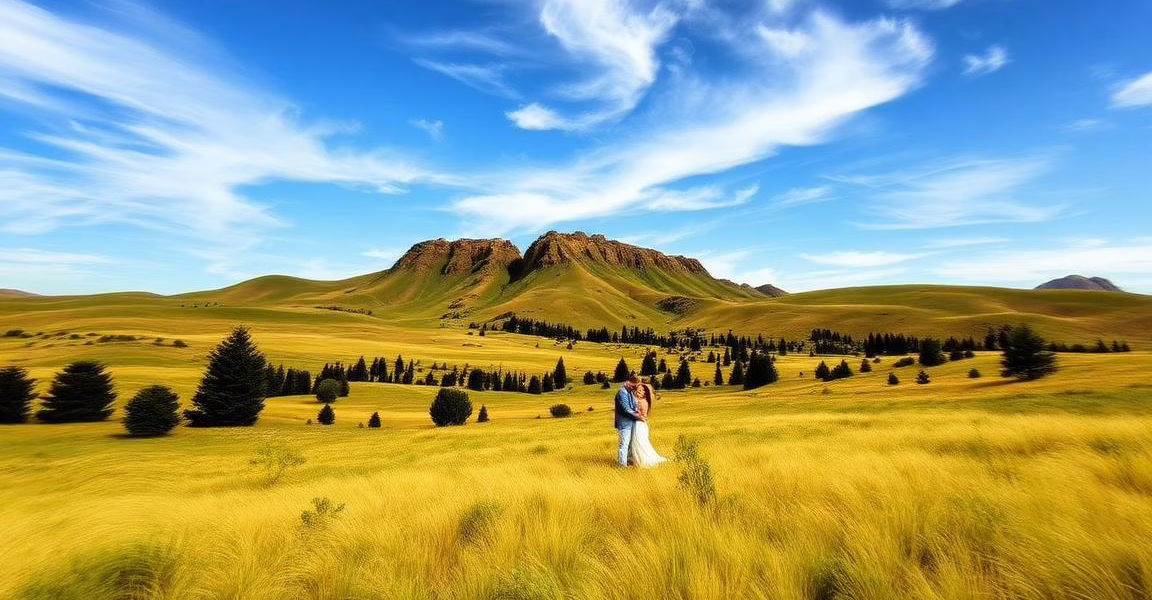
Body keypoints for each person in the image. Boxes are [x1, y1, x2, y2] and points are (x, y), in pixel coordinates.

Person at [629, 378, 668, 467]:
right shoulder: (639, 401)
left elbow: (642, 416)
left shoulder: (642, 402)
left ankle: (642, 462)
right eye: (638, 390)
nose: (639, 391)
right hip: (639, 425)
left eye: (642, 390)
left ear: (645, 393)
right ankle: (636, 461)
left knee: (640, 444)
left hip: (639, 425)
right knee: (637, 444)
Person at [613, 375, 643, 467]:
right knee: (624, 443)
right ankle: (622, 465)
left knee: (631, 443)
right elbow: (626, 409)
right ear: (630, 382)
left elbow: (634, 406)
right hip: (624, 422)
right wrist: (639, 417)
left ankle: (629, 462)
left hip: (632, 421)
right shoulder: (622, 392)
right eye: (637, 384)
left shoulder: (630, 391)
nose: (638, 386)